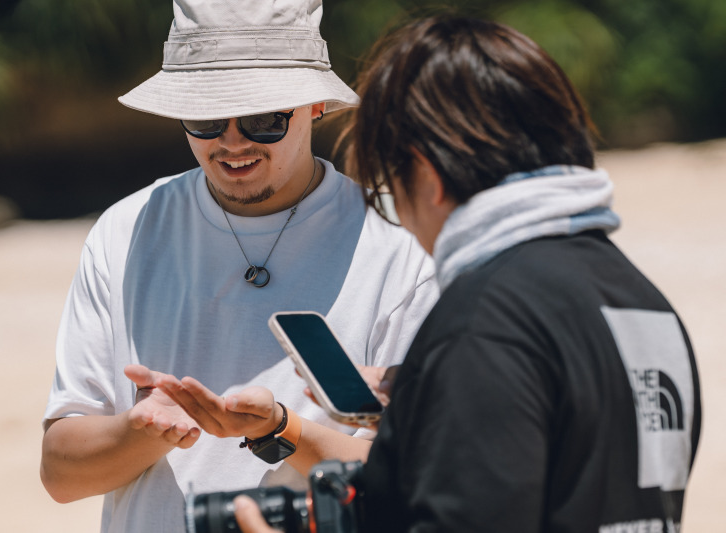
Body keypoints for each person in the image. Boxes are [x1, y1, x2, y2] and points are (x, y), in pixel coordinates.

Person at [181, 15, 702, 533]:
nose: (401, 218)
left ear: (426, 176)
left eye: (392, 184)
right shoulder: (644, 303)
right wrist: (427, 388)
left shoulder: (487, 319)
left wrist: (461, 365)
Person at [38, 1, 438, 532]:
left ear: (316, 104)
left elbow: (419, 477)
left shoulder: (401, 243)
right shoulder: (127, 229)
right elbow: (61, 476)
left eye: (265, 117)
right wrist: (141, 430)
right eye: (204, 116)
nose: (231, 141)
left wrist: (281, 428)